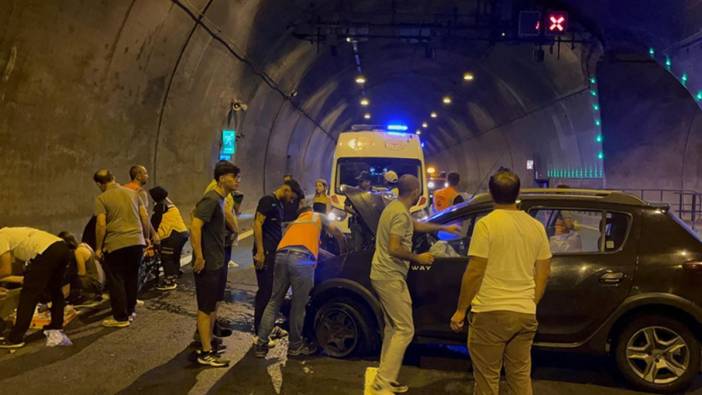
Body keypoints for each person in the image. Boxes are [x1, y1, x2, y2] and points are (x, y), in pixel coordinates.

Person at [449, 168, 552, 395]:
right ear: (517, 193)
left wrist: (460, 310)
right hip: (524, 313)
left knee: (487, 380)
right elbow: (544, 272)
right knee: (520, 378)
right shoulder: (536, 227)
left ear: (491, 192)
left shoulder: (486, 225)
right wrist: (529, 302)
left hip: (489, 313)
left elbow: (475, 270)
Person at [369, 175, 460, 395]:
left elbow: (415, 225)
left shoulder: (395, 208)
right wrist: (418, 258)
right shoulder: (399, 213)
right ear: (416, 190)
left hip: (383, 274)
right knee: (405, 329)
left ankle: (384, 377)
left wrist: (443, 228)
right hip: (390, 276)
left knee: (393, 328)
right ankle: (384, 382)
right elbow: (394, 247)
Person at [255, 206, 346, 358]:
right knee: (298, 305)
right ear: (310, 210)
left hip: (281, 256)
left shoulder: (295, 223)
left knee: (274, 301)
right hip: (301, 259)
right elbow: (337, 233)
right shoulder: (317, 216)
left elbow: (301, 244)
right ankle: (295, 346)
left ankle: (261, 345)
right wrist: (343, 253)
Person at [191, 161, 240, 367]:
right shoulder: (211, 199)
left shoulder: (221, 199)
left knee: (213, 306)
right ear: (221, 179)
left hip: (218, 261)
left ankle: (208, 341)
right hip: (209, 263)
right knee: (205, 307)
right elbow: (195, 225)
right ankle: (205, 352)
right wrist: (200, 256)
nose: (237, 180)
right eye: (233, 177)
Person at [94, 169, 152, 328]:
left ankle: (120, 317)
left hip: (116, 243)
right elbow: (145, 217)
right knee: (132, 276)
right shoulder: (133, 193)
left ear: (100, 184)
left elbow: (101, 224)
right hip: (137, 242)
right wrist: (146, 237)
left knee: (116, 279)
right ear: (114, 178)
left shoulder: (101, 198)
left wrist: (98, 247)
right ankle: (131, 310)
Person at [0, 227, 74, 348]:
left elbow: (6, 270)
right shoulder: (12, 233)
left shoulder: (1, 237)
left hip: (46, 253)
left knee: (29, 295)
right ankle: (56, 324)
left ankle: (15, 338)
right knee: (55, 290)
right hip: (61, 247)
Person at [253, 181, 295, 341]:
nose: (291, 200)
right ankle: (259, 332)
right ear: (286, 189)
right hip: (265, 252)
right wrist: (260, 251)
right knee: (264, 291)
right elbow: (257, 224)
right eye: (291, 196)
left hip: (274, 252)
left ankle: (269, 326)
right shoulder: (267, 200)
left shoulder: (279, 203)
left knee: (272, 291)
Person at [148, 186, 189, 291]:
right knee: (175, 255)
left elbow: (154, 223)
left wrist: (150, 236)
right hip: (182, 233)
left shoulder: (160, 207)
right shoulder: (170, 204)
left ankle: (169, 281)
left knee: (167, 257)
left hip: (172, 235)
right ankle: (175, 273)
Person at [58, 232, 105, 305]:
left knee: (69, 279)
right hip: (98, 281)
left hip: (94, 283)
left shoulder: (78, 252)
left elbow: (82, 273)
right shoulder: (84, 246)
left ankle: (66, 299)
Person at [124, 165, 159, 245]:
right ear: (138, 176)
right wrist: (152, 234)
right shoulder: (140, 192)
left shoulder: (123, 189)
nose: (148, 176)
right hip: (135, 233)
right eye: (145, 173)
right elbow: (144, 216)